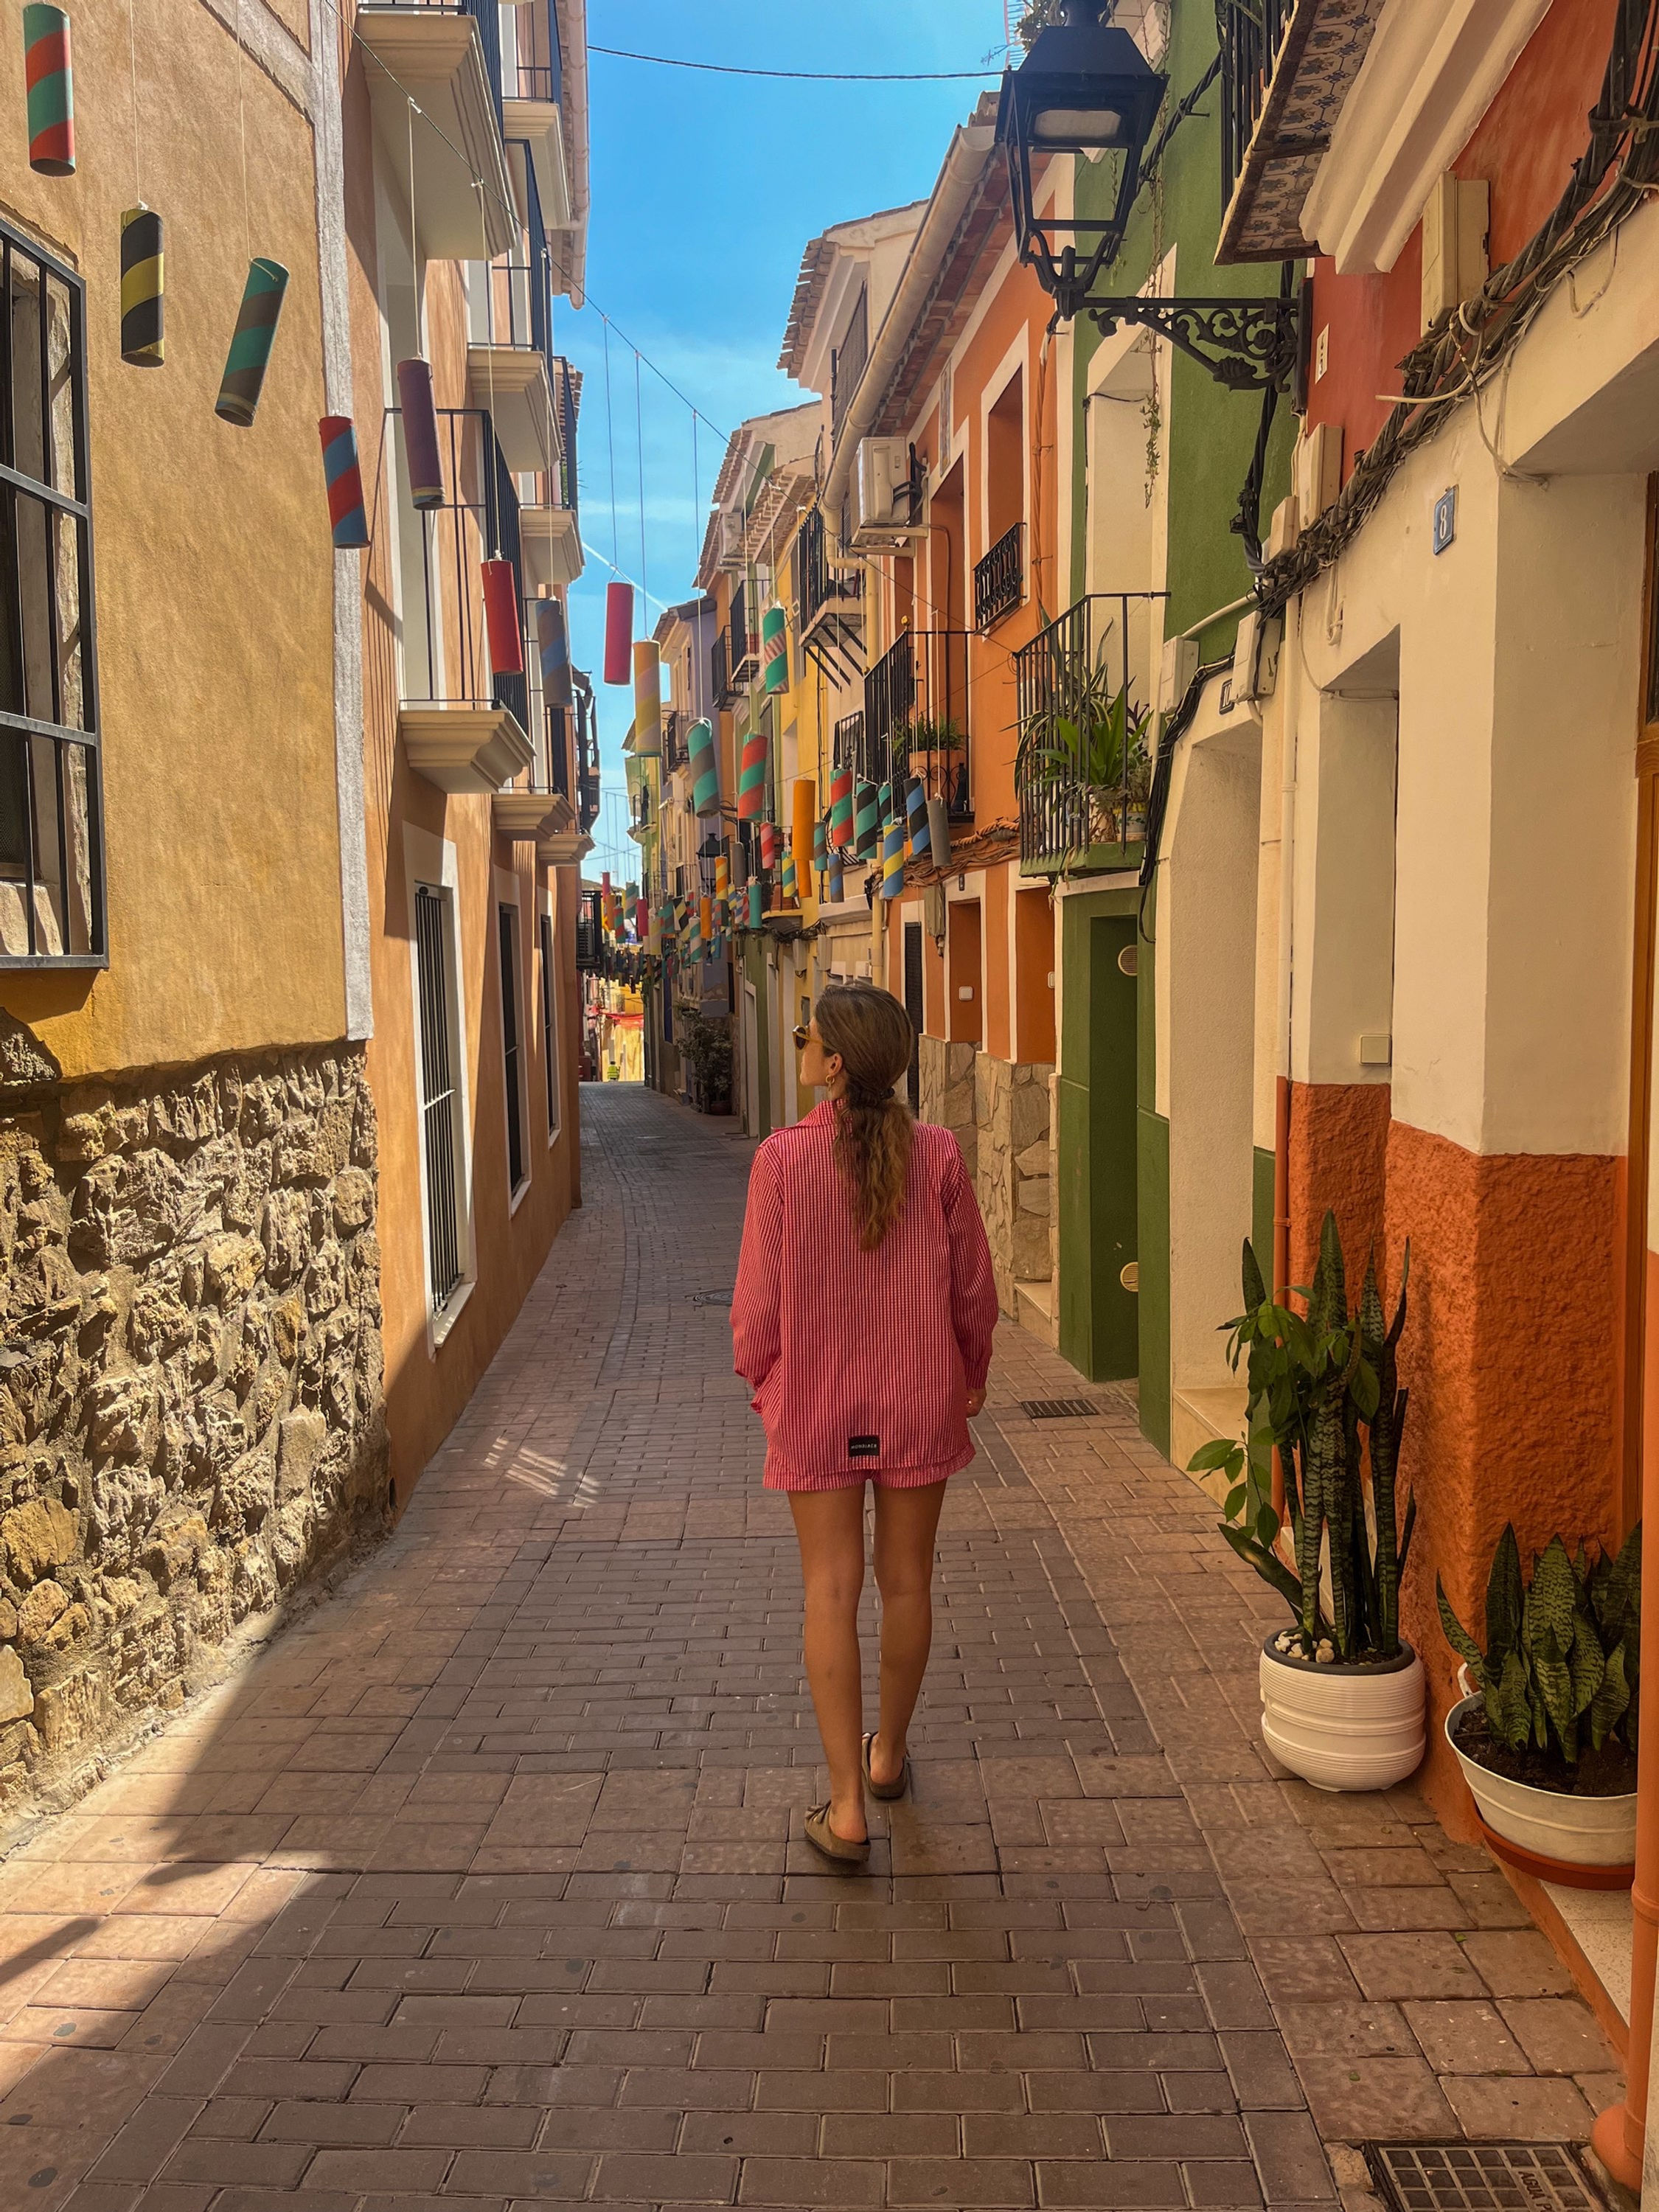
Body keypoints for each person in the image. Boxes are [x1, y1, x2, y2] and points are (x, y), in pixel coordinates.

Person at [731, 983, 998, 1865]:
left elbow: (755, 1312)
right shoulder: (942, 1156)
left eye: (811, 1036)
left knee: (830, 1592)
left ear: (836, 1062)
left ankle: (846, 1807)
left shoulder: (781, 1159)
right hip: (920, 1396)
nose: (803, 1043)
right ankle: (889, 1757)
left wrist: (770, 1386)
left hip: (814, 1409)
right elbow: (975, 1292)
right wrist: (971, 1372)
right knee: (908, 1585)